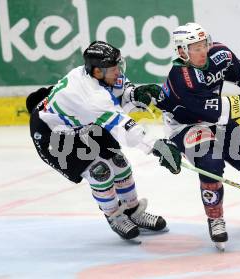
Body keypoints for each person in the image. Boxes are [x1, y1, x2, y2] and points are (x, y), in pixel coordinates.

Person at [136, 23, 240, 250]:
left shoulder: (219, 53)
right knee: (211, 164)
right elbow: (213, 110)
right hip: (186, 127)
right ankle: (215, 218)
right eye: (195, 47)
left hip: (217, 121)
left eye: (204, 44)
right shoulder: (181, 77)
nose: (202, 50)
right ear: (182, 51)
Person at [27, 41, 181, 241]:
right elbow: (124, 127)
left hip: (82, 124)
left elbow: (119, 92)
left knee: (118, 162)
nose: (118, 72)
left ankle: (133, 211)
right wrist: (156, 146)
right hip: (51, 135)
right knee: (100, 171)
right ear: (98, 72)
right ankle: (114, 216)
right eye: (114, 69)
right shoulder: (90, 98)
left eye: (119, 66)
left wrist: (134, 94)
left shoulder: (99, 76)